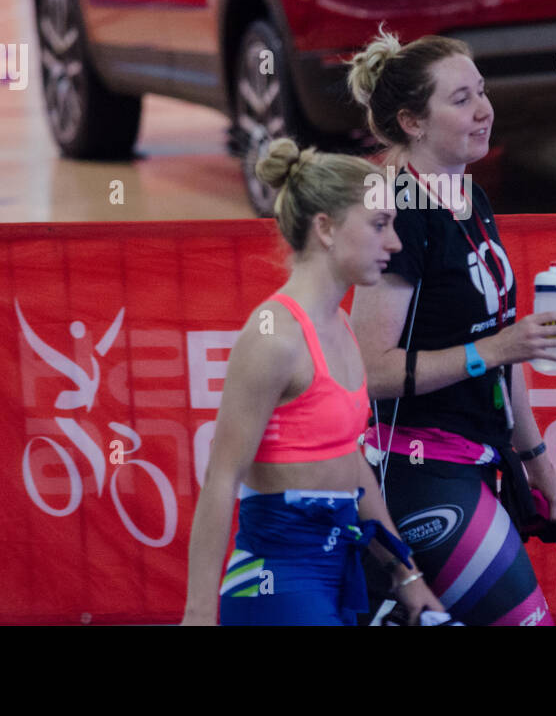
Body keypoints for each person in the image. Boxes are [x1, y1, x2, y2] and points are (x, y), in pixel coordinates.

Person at [347, 27, 556, 627]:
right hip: (416, 470)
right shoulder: (398, 211)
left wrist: (542, 471)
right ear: (412, 123)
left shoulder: (466, 195)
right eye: (461, 99)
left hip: (478, 459)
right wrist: (495, 348)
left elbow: (505, 354)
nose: (484, 110)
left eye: (481, 91)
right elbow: (369, 370)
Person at [182, 137, 444, 626]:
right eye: (380, 225)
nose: (395, 243)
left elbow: (349, 460)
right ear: (325, 228)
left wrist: (408, 575)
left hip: (334, 567)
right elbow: (221, 477)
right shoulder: (274, 338)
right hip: (276, 578)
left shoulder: (341, 326)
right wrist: (198, 614)